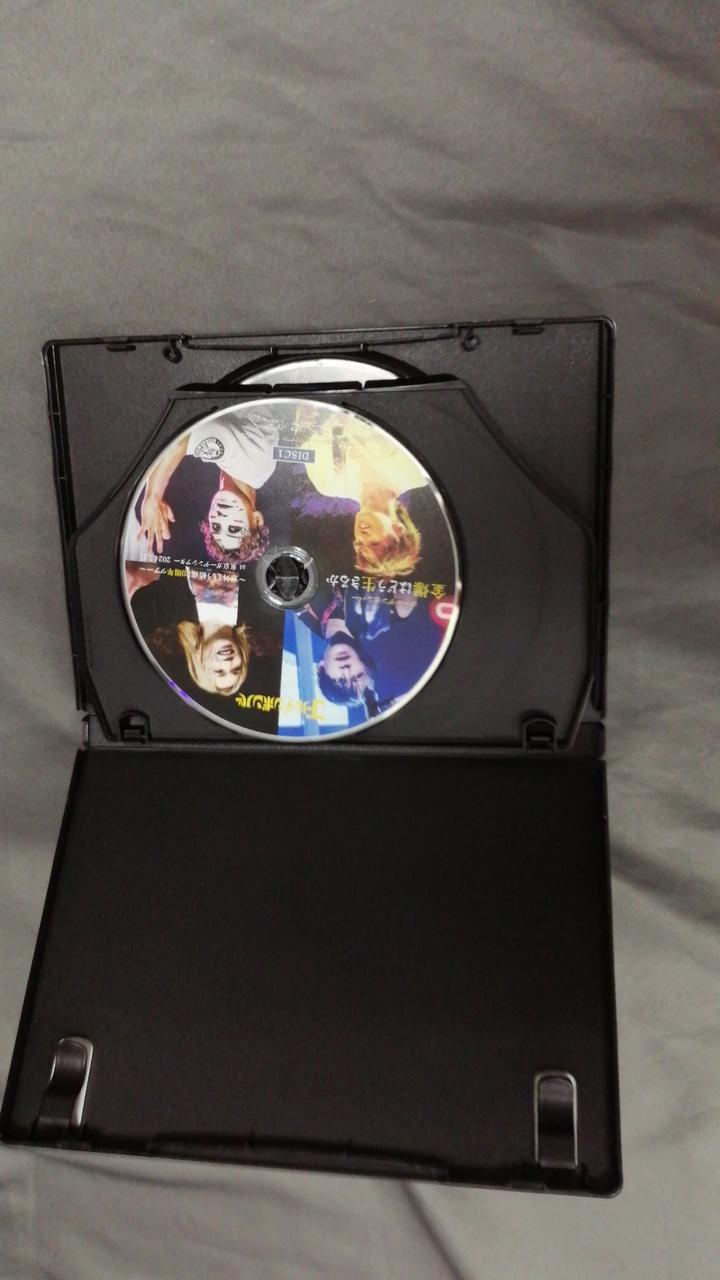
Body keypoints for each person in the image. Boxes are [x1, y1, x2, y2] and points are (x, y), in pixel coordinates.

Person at [136, 409, 278, 564]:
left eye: (216, 526)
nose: (222, 517)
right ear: (256, 520)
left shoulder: (250, 472)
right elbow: (181, 437)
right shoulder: (251, 466)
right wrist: (152, 498)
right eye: (233, 529)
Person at [300, 411, 425, 577]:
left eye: (359, 543)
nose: (361, 536)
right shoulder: (415, 472)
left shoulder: (327, 484)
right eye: (374, 543)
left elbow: (303, 430)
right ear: (398, 529)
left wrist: (304, 419)